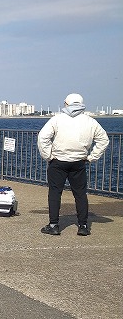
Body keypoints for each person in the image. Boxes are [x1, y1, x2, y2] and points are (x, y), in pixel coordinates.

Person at [37, 93, 109, 236]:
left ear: (66, 104)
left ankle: (54, 225)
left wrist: (48, 156)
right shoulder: (90, 121)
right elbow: (103, 140)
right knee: (80, 194)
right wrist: (91, 157)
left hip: (58, 162)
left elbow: (43, 138)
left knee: (55, 194)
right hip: (79, 162)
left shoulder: (57, 119)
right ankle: (82, 226)